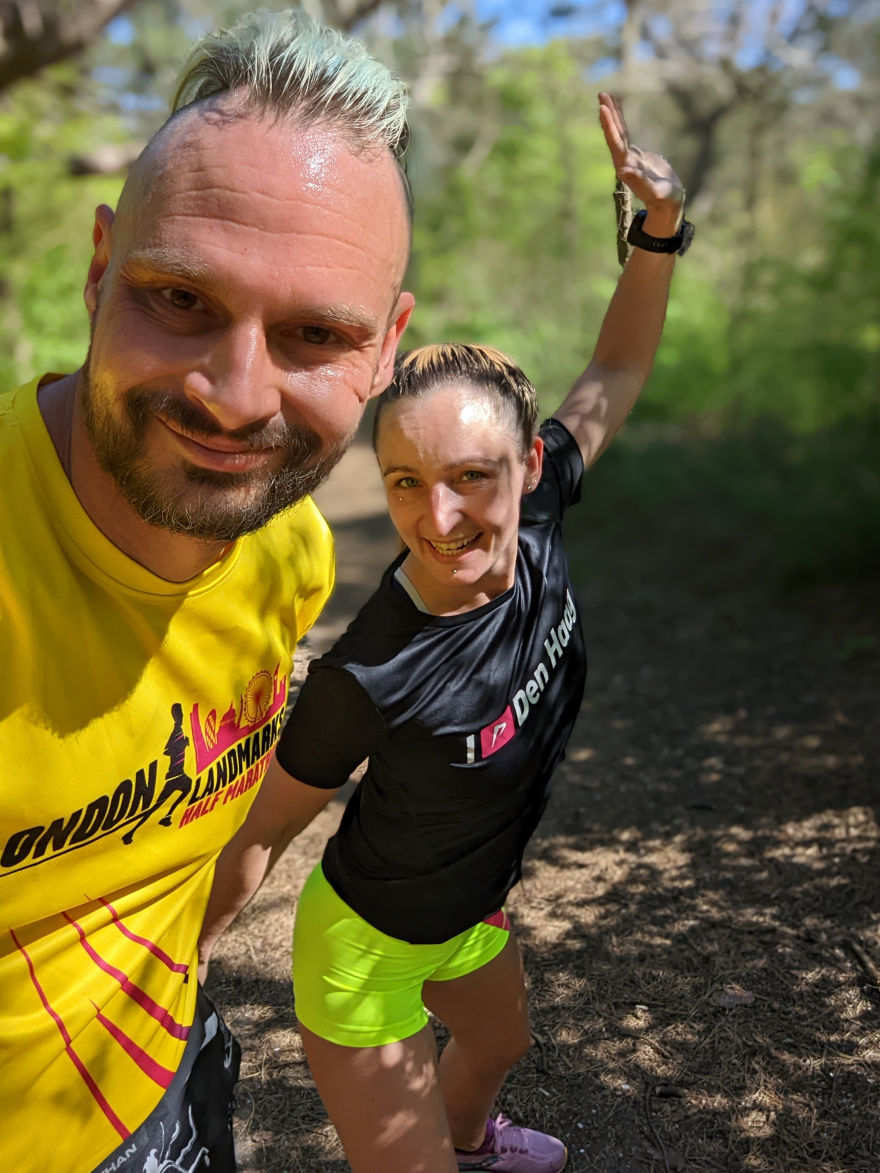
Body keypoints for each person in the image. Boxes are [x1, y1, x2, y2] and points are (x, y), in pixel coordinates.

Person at [198, 95, 691, 1173]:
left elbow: (614, 374)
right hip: (363, 952)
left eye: (473, 478)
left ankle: (470, 1140)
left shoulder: (550, 492)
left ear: (528, 466)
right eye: (407, 482)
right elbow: (260, 838)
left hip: (473, 908)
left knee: (499, 1040)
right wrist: (168, 964)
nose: (438, 517)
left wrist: (657, 227)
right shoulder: (371, 670)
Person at [0, 10, 414, 1173]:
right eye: (180, 299)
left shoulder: (290, 554)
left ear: (384, 349)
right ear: (95, 270)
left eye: (313, 333)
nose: (237, 396)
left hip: (174, 1062)